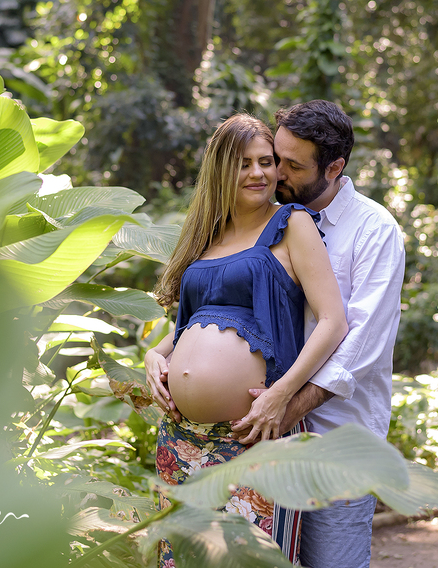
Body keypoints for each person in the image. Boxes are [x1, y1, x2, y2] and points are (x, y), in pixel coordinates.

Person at [143, 113, 349, 565]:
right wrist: (155, 357)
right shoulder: (206, 234)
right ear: (221, 169)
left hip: (252, 436)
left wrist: (281, 394)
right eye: (244, 163)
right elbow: (189, 324)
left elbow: (334, 321)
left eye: (266, 161)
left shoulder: (292, 222)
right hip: (181, 437)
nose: (259, 173)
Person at [230, 100, 406, 568]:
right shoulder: (266, 219)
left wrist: (284, 409)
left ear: (334, 168)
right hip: (263, 442)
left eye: (292, 165)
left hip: (336, 446)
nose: (276, 174)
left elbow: (360, 348)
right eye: (275, 157)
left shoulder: (374, 231)